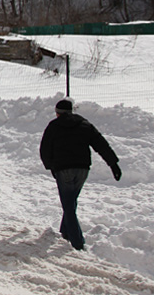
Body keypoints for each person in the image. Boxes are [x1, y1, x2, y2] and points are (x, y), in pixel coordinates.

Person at [40, 98, 122, 251]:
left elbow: (45, 148)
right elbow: (100, 144)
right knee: (71, 201)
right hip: (83, 169)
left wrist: (50, 166)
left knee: (68, 205)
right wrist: (113, 163)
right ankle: (65, 231)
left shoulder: (54, 126)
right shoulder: (84, 124)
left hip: (63, 169)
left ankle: (77, 242)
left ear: (57, 113)